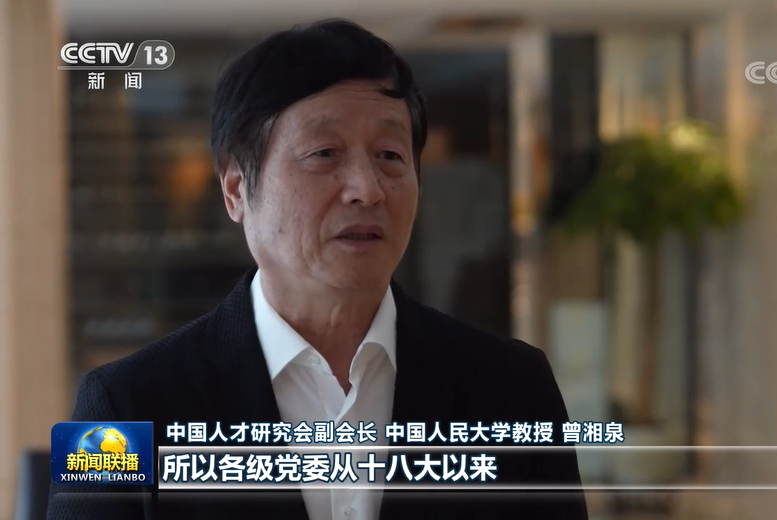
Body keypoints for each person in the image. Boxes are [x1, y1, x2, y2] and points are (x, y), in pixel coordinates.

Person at [47, 19, 587, 520]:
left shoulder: (514, 389)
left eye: (390, 156)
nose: (367, 190)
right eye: (324, 153)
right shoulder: (119, 408)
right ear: (236, 188)